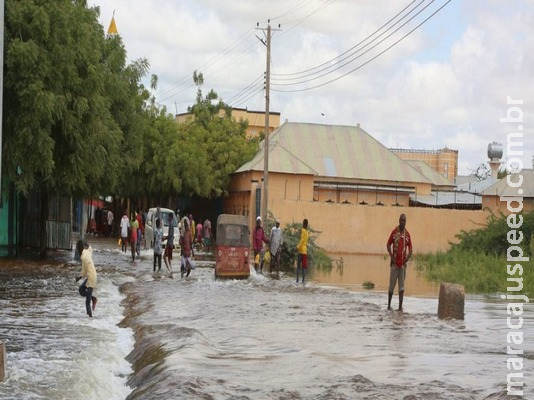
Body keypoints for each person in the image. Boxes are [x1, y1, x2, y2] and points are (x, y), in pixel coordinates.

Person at [386, 213, 413, 312]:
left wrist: (407, 258)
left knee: (401, 288)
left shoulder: (407, 235)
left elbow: (411, 249)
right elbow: (388, 245)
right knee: (391, 287)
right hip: (394, 265)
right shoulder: (394, 232)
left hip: (402, 266)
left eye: (405, 221)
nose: (403, 222)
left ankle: (400, 308)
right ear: (399, 220)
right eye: (402, 220)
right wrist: (391, 256)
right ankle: (389, 306)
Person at [75, 240, 98, 318]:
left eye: (77, 249)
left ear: (80, 249)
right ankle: (93, 298)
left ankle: (90, 318)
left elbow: (84, 272)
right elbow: (90, 248)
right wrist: (86, 244)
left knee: (87, 301)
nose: (77, 251)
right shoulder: (87, 251)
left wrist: (79, 277)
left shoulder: (84, 257)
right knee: (81, 290)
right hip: (91, 276)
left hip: (91, 278)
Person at [296, 218, 309, 284]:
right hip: (305, 251)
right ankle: (303, 281)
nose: (302, 224)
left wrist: (297, 246)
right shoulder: (307, 232)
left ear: (304, 224)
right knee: (304, 267)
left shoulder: (303, 230)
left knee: (298, 267)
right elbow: (306, 241)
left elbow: (302, 240)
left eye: (303, 223)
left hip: (300, 251)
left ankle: (297, 281)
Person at [164, 212, 175, 278]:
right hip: (170, 242)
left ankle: (169, 269)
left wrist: (165, 238)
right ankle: (170, 270)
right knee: (168, 258)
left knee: (165, 257)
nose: (167, 218)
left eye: (168, 217)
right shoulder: (172, 223)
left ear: (170, 217)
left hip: (169, 243)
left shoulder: (171, 224)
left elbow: (170, 235)